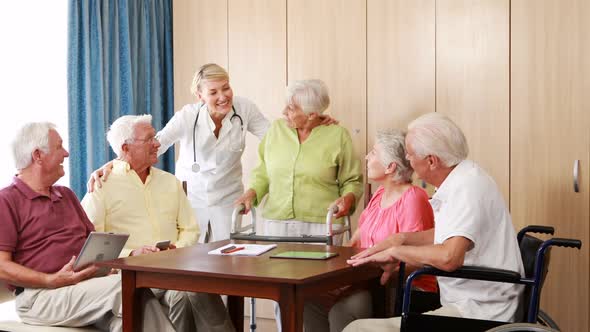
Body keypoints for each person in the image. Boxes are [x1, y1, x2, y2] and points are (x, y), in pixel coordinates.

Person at [88, 63, 336, 243]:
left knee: (229, 267)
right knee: (193, 266)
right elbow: (155, 144)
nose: (223, 96)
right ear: (200, 96)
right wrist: (113, 164)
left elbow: (276, 138)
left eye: (226, 88)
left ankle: (225, 316)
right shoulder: (188, 116)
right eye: (213, 92)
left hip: (228, 200)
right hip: (191, 202)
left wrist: (312, 118)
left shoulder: (244, 109)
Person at [344, 113, 525, 332]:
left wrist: (397, 252)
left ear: (431, 161)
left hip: (479, 312)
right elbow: (448, 234)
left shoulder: (467, 188)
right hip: (468, 303)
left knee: (356, 329)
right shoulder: (461, 179)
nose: (407, 161)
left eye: (410, 155)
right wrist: (400, 238)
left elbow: (450, 257)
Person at [0, 122, 175, 331]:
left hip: (84, 287)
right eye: (59, 147)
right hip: (39, 296)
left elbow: (93, 245)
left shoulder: (66, 195)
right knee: (127, 289)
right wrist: (50, 280)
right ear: (38, 155)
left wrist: (127, 256)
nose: (66, 153)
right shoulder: (7, 200)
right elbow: (1, 265)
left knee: (128, 321)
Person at [81, 115, 235, 332]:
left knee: (191, 291)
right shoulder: (101, 186)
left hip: (175, 269)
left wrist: (175, 252)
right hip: (132, 277)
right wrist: (132, 254)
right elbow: (91, 243)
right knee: (192, 290)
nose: (157, 143)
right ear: (126, 147)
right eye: (149, 139)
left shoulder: (170, 182)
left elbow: (190, 229)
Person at [235, 79, 363, 331]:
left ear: (313, 114)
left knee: (317, 292)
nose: (284, 112)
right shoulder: (276, 132)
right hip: (277, 222)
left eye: (292, 108)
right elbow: (262, 172)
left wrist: (348, 198)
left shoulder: (337, 135)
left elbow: (353, 180)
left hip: (319, 224)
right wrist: (251, 192)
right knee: (281, 291)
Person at [303, 129, 436, 332]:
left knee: (342, 309)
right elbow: (356, 240)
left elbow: (417, 260)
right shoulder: (380, 194)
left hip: (399, 286)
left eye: (373, 153)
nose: (366, 157)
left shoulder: (413, 198)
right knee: (309, 301)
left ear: (390, 166)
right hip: (365, 280)